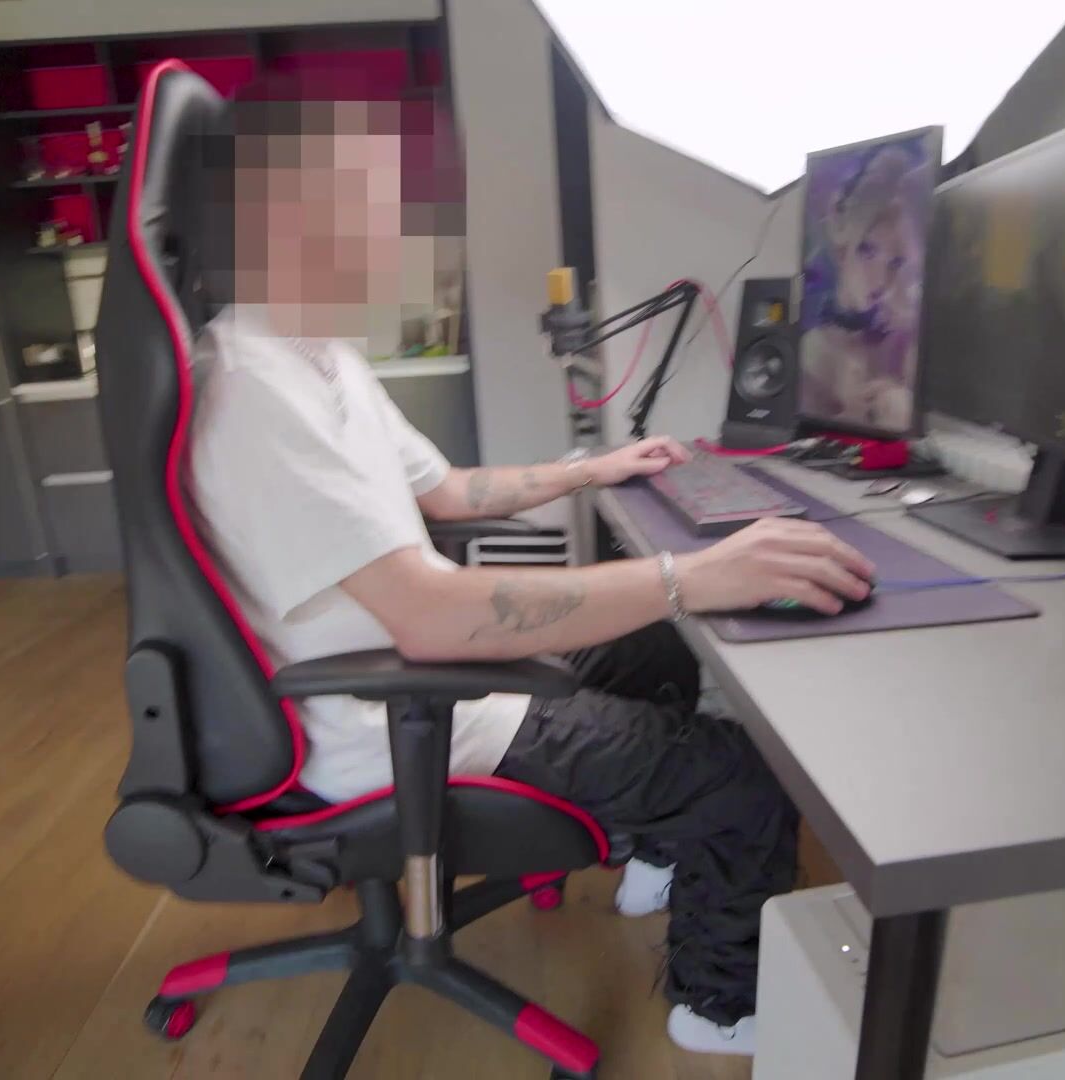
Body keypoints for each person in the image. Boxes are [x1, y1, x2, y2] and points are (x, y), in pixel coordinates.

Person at [187, 113, 876, 1056]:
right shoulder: (252, 392)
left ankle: (661, 856)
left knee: (654, 646)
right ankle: (721, 1005)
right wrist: (693, 575)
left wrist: (593, 469)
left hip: (421, 667)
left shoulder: (318, 352)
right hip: (390, 713)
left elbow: (448, 491)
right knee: (740, 774)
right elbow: (430, 617)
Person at [798, 144, 934, 433]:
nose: (879, 280)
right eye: (868, 250)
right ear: (844, 238)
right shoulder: (813, 351)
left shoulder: (908, 343)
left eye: (895, 262)